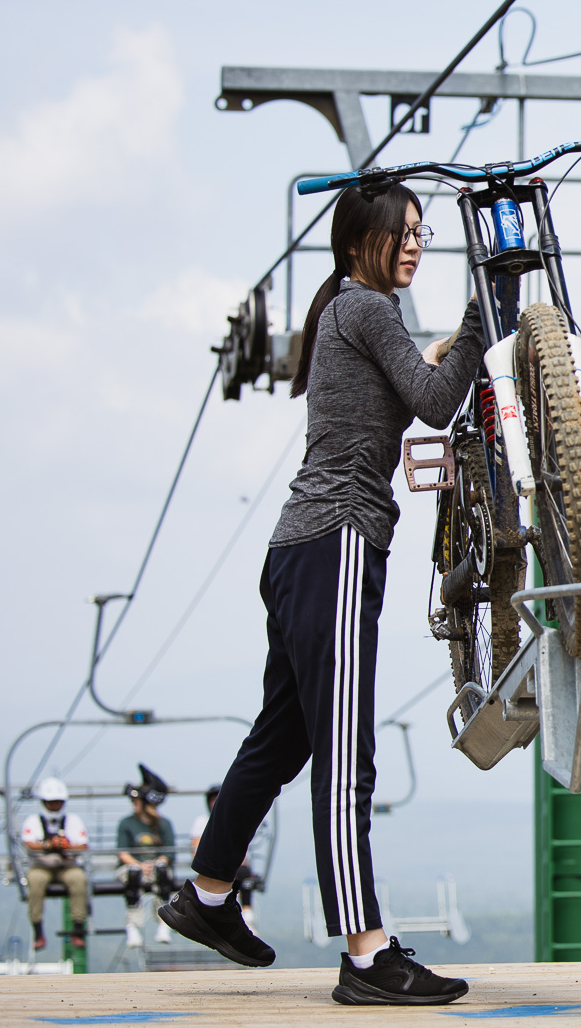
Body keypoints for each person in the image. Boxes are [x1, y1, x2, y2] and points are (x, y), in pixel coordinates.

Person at [159, 181, 484, 1006]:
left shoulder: (348, 308)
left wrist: (445, 345)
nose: (415, 245)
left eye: (422, 232)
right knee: (345, 756)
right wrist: (490, 306)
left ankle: (205, 896)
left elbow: (411, 385)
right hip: (337, 542)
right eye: (401, 234)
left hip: (299, 547)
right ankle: (367, 957)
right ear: (356, 242)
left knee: (283, 738)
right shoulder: (370, 309)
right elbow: (435, 404)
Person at [20, 777, 88, 952]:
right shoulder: (33, 821)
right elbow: (28, 843)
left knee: (78, 879)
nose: (54, 806)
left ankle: (78, 929)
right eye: (51, 803)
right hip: (41, 866)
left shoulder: (72, 820)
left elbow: (82, 845)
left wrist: (65, 845)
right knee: (34, 881)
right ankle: (38, 929)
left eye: (57, 802)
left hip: (67, 866)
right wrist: (48, 845)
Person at [116, 765, 176, 949]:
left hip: (156, 867)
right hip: (134, 868)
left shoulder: (163, 824)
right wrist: (140, 865)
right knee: (133, 873)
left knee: (162, 872)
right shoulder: (126, 824)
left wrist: (157, 862)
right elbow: (123, 852)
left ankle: (163, 920)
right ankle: (133, 924)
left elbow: (169, 852)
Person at [190, 785, 259, 930]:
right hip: (210, 862)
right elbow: (195, 849)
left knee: (244, 872)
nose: (216, 802)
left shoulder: (233, 822)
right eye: (213, 799)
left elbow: (241, 851)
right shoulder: (202, 822)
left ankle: (246, 913)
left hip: (230, 863)